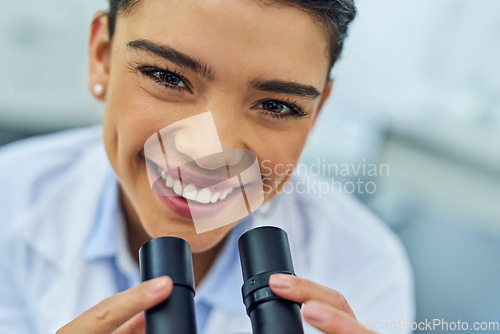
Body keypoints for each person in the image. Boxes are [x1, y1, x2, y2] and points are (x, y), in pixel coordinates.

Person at [0, 0, 414, 333]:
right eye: (168, 77)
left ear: (317, 112)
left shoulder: (366, 266)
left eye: (276, 105)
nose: (211, 152)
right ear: (102, 58)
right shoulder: (9, 199)